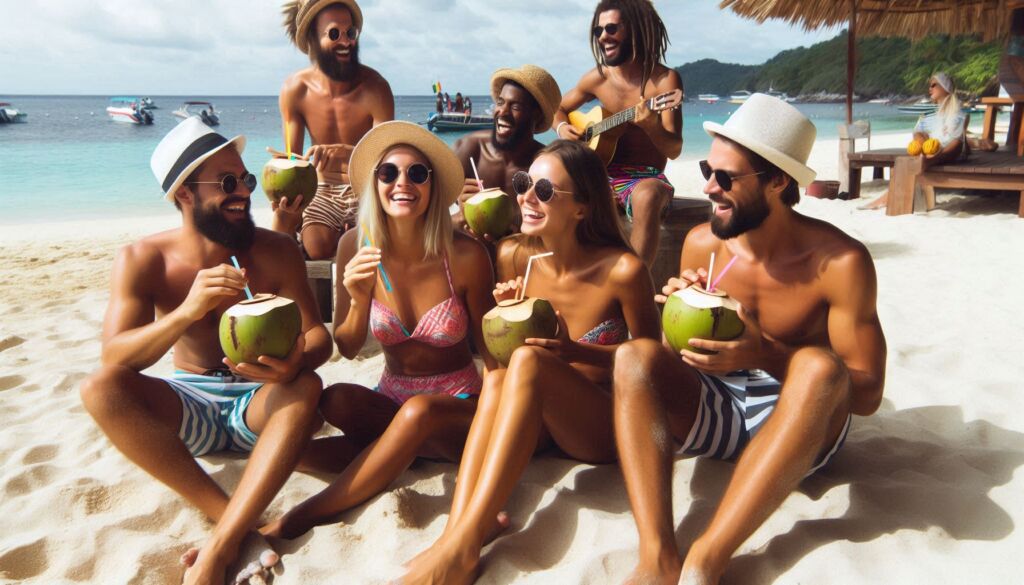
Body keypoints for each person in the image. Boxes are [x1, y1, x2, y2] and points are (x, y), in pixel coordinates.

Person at [611, 94, 887, 585]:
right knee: (635, 357)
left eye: (726, 178)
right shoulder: (703, 243)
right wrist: (681, 318)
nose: (708, 187)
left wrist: (766, 353)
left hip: (798, 424)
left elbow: (864, 394)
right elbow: (680, 359)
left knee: (818, 367)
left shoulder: (839, 263)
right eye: (706, 169)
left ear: (779, 181)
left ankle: (706, 560)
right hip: (717, 410)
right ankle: (658, 556)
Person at [78, 117, 333, 585]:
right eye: (228, 182)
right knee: (100, 388)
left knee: (308, 385)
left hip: (262, 403)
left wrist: (296, 362)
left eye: (247, 180)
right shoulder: (143, 258)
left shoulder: (278, 249)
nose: (244, 192)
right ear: (185, 194)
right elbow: (115, 357)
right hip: (190, 402)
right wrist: (185, 312)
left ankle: (220, 544)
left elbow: (319, 337)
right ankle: (237, 527)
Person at [401, 139, 662, 585]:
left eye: (544, 190)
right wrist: (506, 312)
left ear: (582, 208)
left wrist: (575, 351)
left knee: (529, 363)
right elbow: (501, 360)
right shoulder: (513, 257)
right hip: (536, 424)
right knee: (500, 379)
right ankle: (458, 532)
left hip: (598, 425)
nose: (524, 196)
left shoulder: (622, 271)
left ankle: (461, 547)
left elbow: (653, 363)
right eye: (524, 184)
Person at [261, 121, 498, 539]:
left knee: (420, 412)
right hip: (391, 399)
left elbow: (493, 359)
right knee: (335, 401)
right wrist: (356, 298)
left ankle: (303, 515)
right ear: (375, 183)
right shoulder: (355, 244)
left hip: (456, 405)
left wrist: (494, 433)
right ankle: (403, 453)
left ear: (433, 186)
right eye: (388, 173)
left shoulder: (463, 254)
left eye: (417, 174)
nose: (401, 183)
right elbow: (348, 348)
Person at [554, 0, 683, 266]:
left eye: (611, 28)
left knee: (648, 195)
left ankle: (636, 284)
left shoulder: (664, 81)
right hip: (598, 174)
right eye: (597, 31)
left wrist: (650, 125)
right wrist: (561, 127)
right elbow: (558, 108)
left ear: (636, 28)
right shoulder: (597, 78)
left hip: (643, 178)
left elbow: (674, 148)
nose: (603, 37)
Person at [274, 0, 395, 259]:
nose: (346, 42)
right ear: (312, 39)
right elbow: (292, 160)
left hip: (366, 187)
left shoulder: (376, 87)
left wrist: (345, 152)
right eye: (334, 33)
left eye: (350, 33)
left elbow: (388, 159)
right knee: (317, 248)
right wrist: (283, 167)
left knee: (372, 247)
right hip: (321, 189)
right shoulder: (295, 90)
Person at [451, 65, 562, 239]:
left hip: (522, 260)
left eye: (516, 106)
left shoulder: (546, 165)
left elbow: (561, 229)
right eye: (500, 102)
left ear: (537, 116)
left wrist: (521, 238)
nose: (502, 112)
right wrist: (460, 216)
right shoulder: (469, 149)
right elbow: (427, 222)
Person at [861, 72, 970, 210]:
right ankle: (889, 198)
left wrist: (935, 155)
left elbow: (957, 143)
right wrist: (922, 143)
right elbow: (918, 132)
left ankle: (886, 200)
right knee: (909, 160)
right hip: (931, 152)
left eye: (933, 85)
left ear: (945, 88)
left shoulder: (957, 112)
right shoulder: (928, 113)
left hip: (949, 154)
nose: (930, 89)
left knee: (917, 162)